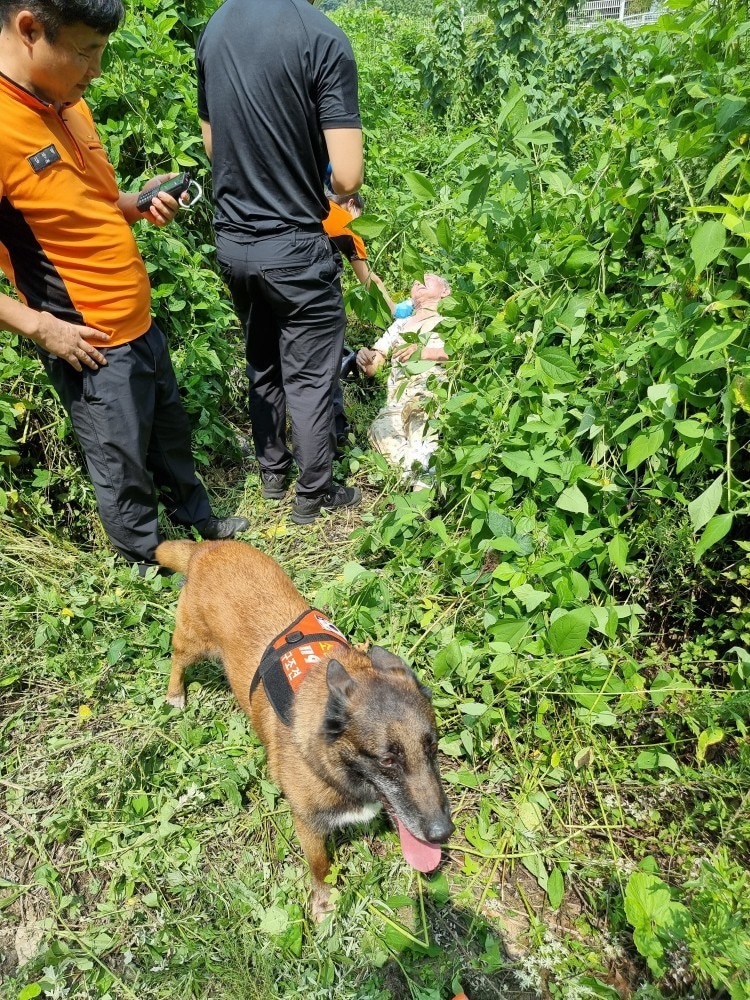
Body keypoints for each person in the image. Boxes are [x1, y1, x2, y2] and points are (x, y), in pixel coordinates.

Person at [0, 0, 248, 574]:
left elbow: (90, 205)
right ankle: (143, 561)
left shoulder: (66, 103)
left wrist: (139, 202)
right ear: (30, 29)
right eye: (86, 51)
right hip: (86, 339)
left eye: (102, 52)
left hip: (139, 321)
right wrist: (42, 328)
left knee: (168, 436)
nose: (96, 70)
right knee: (121, 460)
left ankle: (198, 522)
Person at [196, 0, 364, 526]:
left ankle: (272, 473)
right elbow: (348, 179)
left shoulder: (215, 28)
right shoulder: (321, 36)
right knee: (311, 373)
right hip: (293, 243)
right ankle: (313, 494)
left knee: (262, 355)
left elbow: (211, 143)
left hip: (233, 242)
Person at [357, 274, 451, 488]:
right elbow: (374, 366)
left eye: (427, 277)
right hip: (395, 402)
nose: (418, 280)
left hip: (427, 391)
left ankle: (421, 494)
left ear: (445, 291)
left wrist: (424, 352)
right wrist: (365, 357)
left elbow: (462, 354)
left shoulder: (448, 321)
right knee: (380, 430)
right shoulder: (400, 325)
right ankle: (425, 479)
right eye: (415, 279)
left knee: (421, 425)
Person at [323, 191, 396, 446]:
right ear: (351, 204)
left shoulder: (304, 200)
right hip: (317, 302)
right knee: (327, 369)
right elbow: (369, 280)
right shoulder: (344, 221)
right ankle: (338, 437)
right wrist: (394, 311)